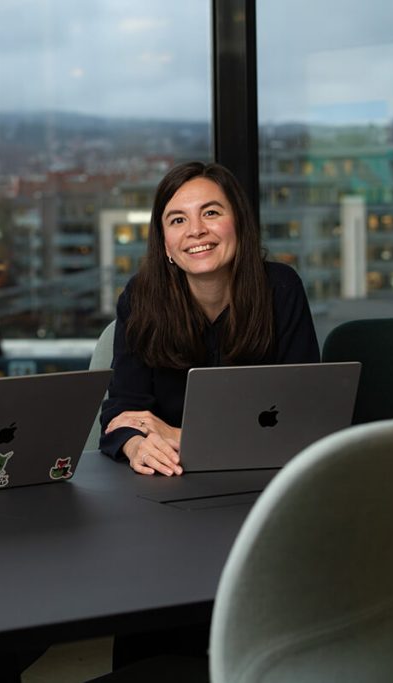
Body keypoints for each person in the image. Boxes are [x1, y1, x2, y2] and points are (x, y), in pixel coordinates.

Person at [99, 161, 320, 477]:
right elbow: (123, 414)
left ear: (239, 223)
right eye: (178, 219)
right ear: (165, 245)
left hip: (266, 478)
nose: (196, 230)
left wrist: (179, 436)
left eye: (211, 213)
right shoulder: (140, 297)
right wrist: (136, 446)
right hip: (169, 479)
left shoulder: (280, 289)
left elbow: (304, 414)